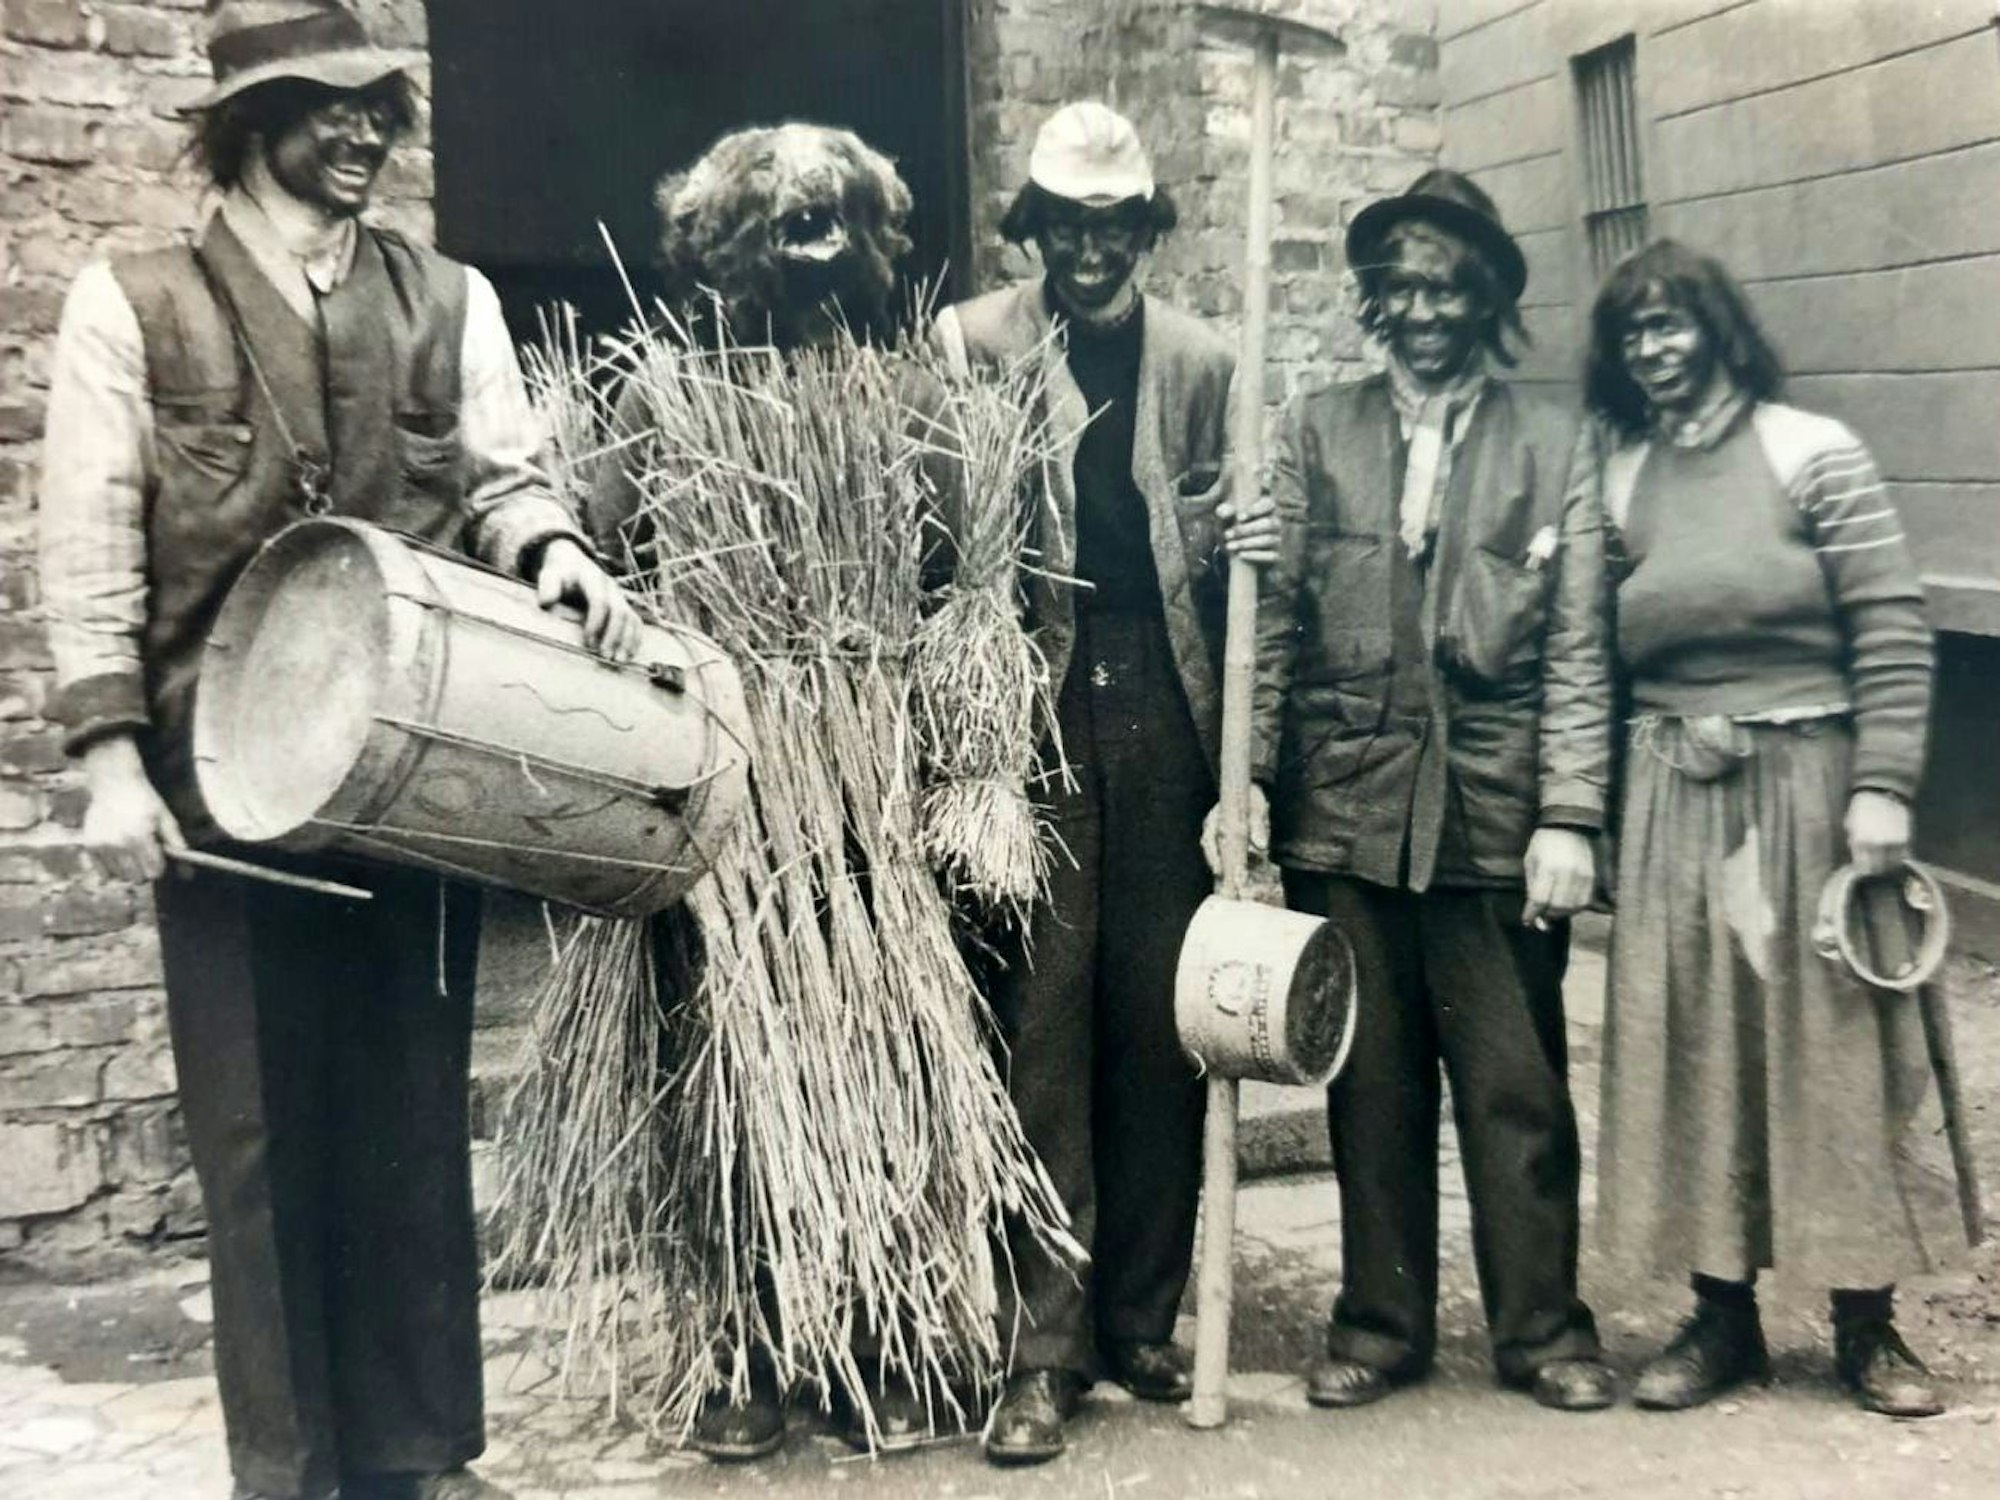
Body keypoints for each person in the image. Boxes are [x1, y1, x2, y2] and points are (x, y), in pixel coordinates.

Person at [35, 5, 638, 1498]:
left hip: (407, 777)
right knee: (258, 1138)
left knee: (408, 1120)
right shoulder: (136, 302)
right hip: (223, 783)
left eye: (382, 107)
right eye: (330, 107)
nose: (367, 131)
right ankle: (295, 1471)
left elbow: (505, 482)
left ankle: (422, 1452)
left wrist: (554, 551)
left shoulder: (449, 300)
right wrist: (111, 754)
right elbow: (90, 542)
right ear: (248, 123)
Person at [931, 100, 1278, 1466]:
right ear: (1036, 231)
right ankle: (1043, 1345)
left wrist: (1241, 771)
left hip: (1170, 705)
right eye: (1065, 225)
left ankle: (1140, 1314)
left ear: (1146, 230)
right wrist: (967, 750)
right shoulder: (972, 345)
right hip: (1031, 699)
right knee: (1042, 1026)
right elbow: (933, 555)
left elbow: (1255, 584)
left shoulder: (1206, 362)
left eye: (1114, 224)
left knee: (1160, 1020)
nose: (1090, 249)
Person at [1248, 168, 1617, 1414]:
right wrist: (1248, 783)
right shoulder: (1313, 428)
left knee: (1517, 1091)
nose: (1419, 310)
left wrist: (1569, 813)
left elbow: (1577, 648)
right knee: (1372, 1086)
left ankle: (1543, 1332)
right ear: (1370, 301)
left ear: (1486, 301)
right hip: (1345, 813)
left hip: (1493, 821)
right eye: (1397, 287)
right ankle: (1379, 1323)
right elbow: (1277, 624)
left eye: (1445, 287)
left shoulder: (1554, 442)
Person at [1584, 239, 1944, 1419]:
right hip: (1673, 796)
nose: (1652, 348)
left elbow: (1890, 625)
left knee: (1832, 1047)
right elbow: (1589, 653)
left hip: (1810, 794)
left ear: (1718, 329)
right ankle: (1720, 1317)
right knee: (1694, 1043)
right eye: (1631, 331)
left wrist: (1881, 787)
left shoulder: (1810, 452)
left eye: (1671, 323)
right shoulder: (1620, 478)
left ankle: (1864, 1325)